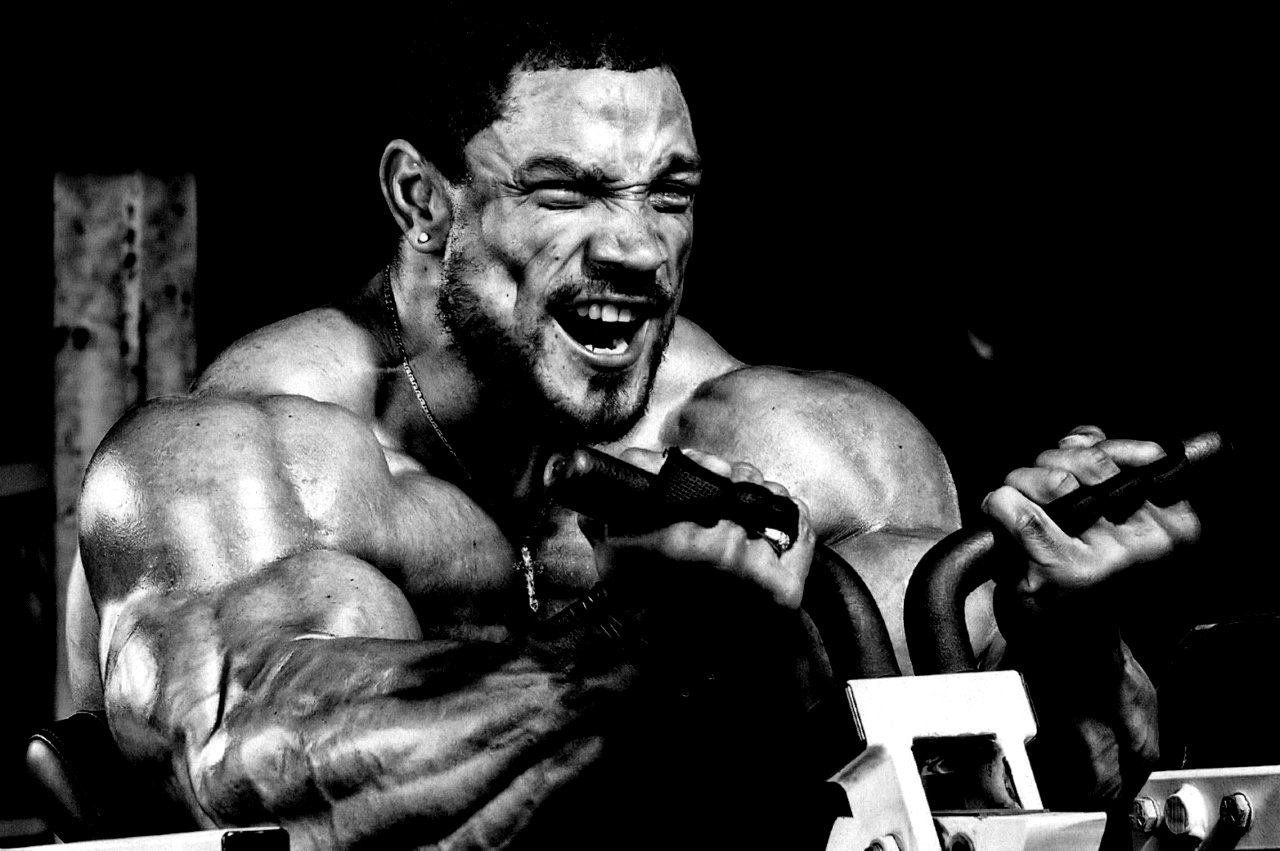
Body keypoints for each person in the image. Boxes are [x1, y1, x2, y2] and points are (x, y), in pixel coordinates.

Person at [68, 21, 1200, 850]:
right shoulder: (248, 454)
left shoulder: (807, 442)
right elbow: (255, 774)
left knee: (894, 584)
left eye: (669, 194)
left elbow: (1037, 800)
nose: (640, 252)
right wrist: (624, 659)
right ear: (422, 200)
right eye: (567, 193)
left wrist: (1071, 655)